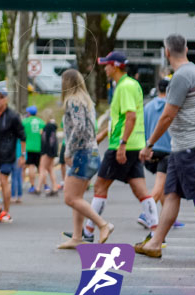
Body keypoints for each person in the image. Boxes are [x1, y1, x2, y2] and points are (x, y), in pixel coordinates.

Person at [136, 35, 195, 261]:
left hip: (190, 144)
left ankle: (156, 242)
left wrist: (149, 145)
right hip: (184, 146)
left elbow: (168, 115)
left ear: (166, 52)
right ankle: (155, 243)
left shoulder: (181, 76)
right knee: (171, 195)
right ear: (186, 49)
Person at [83, 52, 159, 239]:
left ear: (115, 66)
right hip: (135, 143)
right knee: (141, 190)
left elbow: (130, 116)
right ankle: (157, 234)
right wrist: (102, 136)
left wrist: (122, 144)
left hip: (122, 145)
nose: (104, 68)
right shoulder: (132, 84)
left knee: (100, 186)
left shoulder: (124, 87)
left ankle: (88, 232)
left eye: (106, 65)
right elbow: (119, 120)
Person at [57, 69, 114, 249]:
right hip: (93, 152)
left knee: (70, 198)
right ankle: (76, 236)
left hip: (81, 153)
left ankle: (103, 224)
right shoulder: (87, 102)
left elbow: (79, 127)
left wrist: (68, 151)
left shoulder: (72, 101)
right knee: (77, 197)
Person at [0, 81, 25, 223]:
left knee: (3, 180)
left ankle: (6, 211)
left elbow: (22, 136)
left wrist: (22, 155)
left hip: (7, 154)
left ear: (6, 98)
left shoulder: (13, 116)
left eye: (1, 97)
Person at [142, 78, 172, 205]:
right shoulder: (171, 107)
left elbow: (143, 127)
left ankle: (168, 216)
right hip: (168, 150)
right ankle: (147, 213)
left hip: (152, 149)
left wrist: (146, 146)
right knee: (161, 185)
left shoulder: (147, 107)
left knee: (162, 185)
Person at [22, 105, 44, 193]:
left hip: (29, 146)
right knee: (41, 167)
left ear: (29, 113)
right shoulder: (41, 122)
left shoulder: (25, 122)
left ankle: (32, 185)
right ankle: (43, 185)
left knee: (31, 166)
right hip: (39, 147)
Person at [39, 115, 61, 196]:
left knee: (42, 168)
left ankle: (38, 188)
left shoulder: (47, 128)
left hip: (47, 151)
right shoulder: (53, 128)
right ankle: (55, 187)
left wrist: (44, 152)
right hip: (52, 151)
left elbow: (45, 141)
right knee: (51, 169)